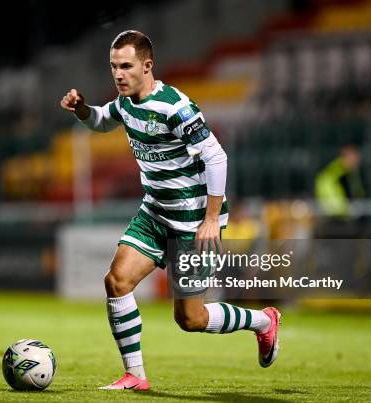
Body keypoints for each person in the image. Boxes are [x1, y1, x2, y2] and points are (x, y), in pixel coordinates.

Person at [60, 30, 280, 391]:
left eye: (126, 66)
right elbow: (101, 120)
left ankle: (263, 321)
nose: (118, 74)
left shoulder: (175, 106)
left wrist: (211, 219)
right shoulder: (126, 103)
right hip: (155, 212)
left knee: (190, 318)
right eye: (114, 66)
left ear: (147, 66)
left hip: (194, 219)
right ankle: (135, 375)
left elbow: (216, 156)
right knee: (116, 281)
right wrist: (82, 109)